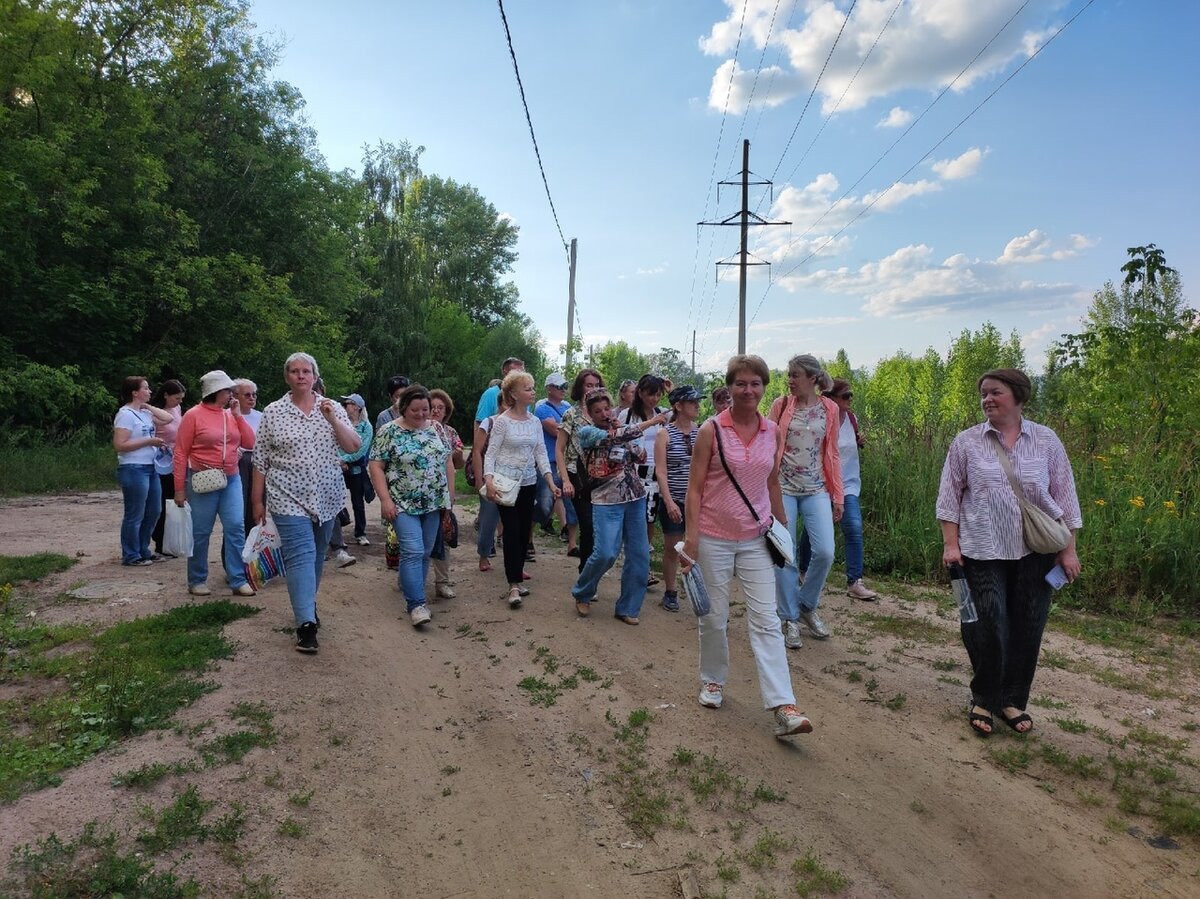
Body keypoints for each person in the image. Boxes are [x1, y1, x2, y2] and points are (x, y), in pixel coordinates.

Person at [937, 368, 1082, 737]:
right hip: (982, 549)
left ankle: (1012, 699)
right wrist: (951, 545)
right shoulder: (967, 442)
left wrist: (1069, 551)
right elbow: (949, 497)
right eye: (983, 393)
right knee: (989, 622)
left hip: (1036, 551)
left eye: (995, 392)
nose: (987, 399)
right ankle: (984, 696)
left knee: (1029, 626)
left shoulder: (1046, 440)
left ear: (1018, 396)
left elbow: (1065, 498)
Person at [680, 355, 812, 739]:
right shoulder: (711, 430)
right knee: (714, 616)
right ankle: (713, 681)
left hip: (756, 538)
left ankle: (783, 704)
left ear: (763, 387)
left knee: (767, 620)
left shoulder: (772, 431)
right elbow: (695, 488)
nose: (748, 390)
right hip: (714, 537)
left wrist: (783, 528)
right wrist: (692, 538)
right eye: (741, 383)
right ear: (730, 387)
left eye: (755, 384)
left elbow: (772, 483)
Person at [252, 352, 362, 653]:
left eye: (306, 371)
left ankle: (306, 606)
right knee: (300, 556)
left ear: (314, 377)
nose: (301, 376)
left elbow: (353, 446)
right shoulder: (273, 412)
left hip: (327, 498)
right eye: (295, 371)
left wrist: (332, 419)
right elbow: (260, 460)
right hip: (287, 496)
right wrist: (256, 501)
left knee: (315, 557)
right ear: (287, 377)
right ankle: (306, 625)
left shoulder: (332, 408)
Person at [570, 390, 665, 622]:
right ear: (590, 415)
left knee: (640, 555)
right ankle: (583, 591)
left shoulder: (623, 429)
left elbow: (641, 456)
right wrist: (650, 422)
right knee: (606, 553)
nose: (603, 414)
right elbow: (612, 438)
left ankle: (628, 608)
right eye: (597, 411)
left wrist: (629, 438)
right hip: (605, 499)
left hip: (635, 497)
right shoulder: (587, 433)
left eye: (606, 409)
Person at [769, 354, 843, 649]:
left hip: (816, 490)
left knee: (825, 551)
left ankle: (806, 606)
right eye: (789, 374)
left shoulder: (830, 409)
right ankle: (788, 619)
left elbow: (833, 453)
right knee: (784, 554)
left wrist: (838, 496)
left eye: (795, 375)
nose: (790, 380)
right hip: (783, 488)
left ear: (812, 378)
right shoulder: (781, 405)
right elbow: (767, 444)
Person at [368, 384, 454, 627]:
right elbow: (376, 466)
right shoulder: (389, 432)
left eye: (425, 409)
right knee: (413, 551)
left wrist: (450, 494)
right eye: (415, 410)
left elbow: (446, 460)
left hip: (434, 501)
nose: (421, 414)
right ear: (403, 408)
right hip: (402, 502)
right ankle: (416, 604)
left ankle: (415, 591)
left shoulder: (436, 428)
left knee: (426, 551)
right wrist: (385, 500)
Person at [173, 370, 257, 597]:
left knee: (236, 528)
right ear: (216, 391)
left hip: (231, 478)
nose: (232, 394)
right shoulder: (193, 415)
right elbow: (180, 452)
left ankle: (238, 578)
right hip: (202, 479)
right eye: (228, 390)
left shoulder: (229, 414)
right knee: (201, 531)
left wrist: (238, 416)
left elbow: (250, 442)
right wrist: (179, 488)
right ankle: (197, 579)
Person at [483, 370, 560, 608]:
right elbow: (491, 454)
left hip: (528, 484)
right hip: (505, 485)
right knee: (512, 532)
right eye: (527, 388)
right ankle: (513, 584)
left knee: (524, 530)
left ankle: (517, 574)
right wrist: (489, 481)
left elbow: (540, 454)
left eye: (532, 387)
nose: (532, 392)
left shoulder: (535, 422)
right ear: (514, 394)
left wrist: (549, 481)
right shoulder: (502, 422)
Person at [798, 379, 877, 600]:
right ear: (831, 399)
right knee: (812, 529)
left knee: (853, 525)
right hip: (823, 484)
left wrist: (859, 441)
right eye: (845, 396)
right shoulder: (820, 420)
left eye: (851, 395)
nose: (850, 399)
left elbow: (848, 447)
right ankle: (802, 569)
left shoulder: (852, 419)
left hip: (848, 484)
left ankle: (855, 582)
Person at [113, 376, 171, 566]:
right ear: (134, 392)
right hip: (133, 467)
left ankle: (143, 549)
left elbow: (168, 418)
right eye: (146, 389)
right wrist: (149, 441)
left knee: (154, 510)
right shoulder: (125, 414)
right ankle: (131, 554)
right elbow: (120, 444)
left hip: (150, 466)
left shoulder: (144, 413)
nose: (150, 392)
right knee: (135, 512)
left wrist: (148, 407)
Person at [654, 385, 703, 612]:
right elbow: (661, 471)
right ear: (678, 406)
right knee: (672, 547)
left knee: (698, 547)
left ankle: (698, 591)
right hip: (674, 497)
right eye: (692, 402)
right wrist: (669, 501)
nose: (697, 405)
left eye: (697, 401)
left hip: (698, 501)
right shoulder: (665, 434)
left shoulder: (701, 431)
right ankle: (671, 591)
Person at [617, 375, 668, 586]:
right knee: (633, 520)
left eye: (658, 394)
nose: (655, 399)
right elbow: (619, 436)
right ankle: (633, 561)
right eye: (651, 394)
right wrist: (652, 423)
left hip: (655, 473)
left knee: (649, 519)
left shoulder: (663, 413)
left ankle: (644, 568)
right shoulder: (627, 415)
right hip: (632, 473)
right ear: (640, 393)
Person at [557, 368, 604, 568]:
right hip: (576, 474)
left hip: (601, 475)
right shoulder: (571, 414)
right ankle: (585, 573)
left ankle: (592, 567)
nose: (592, 389)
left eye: (596, 385)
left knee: (597, 527)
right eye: (588, 385)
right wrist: (566, 480)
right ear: (580, 387)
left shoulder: (603, 413)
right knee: (587, 524)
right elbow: (559, 449)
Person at [428, 388, 464, 599]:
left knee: (444, 536)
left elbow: (458, 464)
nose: (436, 411)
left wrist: (457, 455)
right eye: (433, 407)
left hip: (442, 492)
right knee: (417, 540)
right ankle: (408, 579)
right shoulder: (416, 430)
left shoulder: (450, 433)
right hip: (420, 492)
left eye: (441, 408)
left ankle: (442, 582)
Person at [534, 372, 576, 543]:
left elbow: (566, 428)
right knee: (545, 502)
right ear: (549, 388)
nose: (563, 390)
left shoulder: (567, 405)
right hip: (550, 460)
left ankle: (571, 541)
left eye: (565, 386)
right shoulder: (542, 408)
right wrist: (570, 429)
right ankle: (528, 534)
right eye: (559, 387)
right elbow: (554, 430)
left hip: (567, 461)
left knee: (570, 500)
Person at [472, 392, 508, 575]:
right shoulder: (489, 422)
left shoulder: (524, 422)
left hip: (514, 478)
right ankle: (484, 554)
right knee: (489, 518)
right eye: (507, 403)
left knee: (515, 522)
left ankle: (515, 563)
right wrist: (480, 479)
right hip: (491, 477)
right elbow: (477, 451)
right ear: (500, 404)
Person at [150, 379, 186, 557]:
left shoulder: (177, 409)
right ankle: (159, 541)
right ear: (166, 395)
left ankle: (170, 540)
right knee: (162, 502)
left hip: (177, 461)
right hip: (162, 461)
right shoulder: (157, 413)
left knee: (174, 501)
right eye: (176, 398)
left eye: (181, 399)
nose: (179, 402)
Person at [337, 393, 373, 546]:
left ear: (357, 407)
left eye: (349, 403)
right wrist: (340, 460)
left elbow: (362, 449)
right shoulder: (340, 424)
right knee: (335, 500)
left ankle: (360, 533)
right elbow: (336, 443)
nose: (345, 406)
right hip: (339, 468)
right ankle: (337, 537)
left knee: (357, 502)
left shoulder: (366, 427)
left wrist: (345, 459)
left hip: (356, 469)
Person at [233, 379, 262, 537]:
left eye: (254, 395)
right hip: (238, 462)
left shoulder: (261, 416)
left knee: (257, 507)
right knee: (239, 509)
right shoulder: (228, 416)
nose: (252, 398)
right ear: (235, 396)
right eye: (247, 395)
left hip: (258, 462)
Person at [475, 357, 524, 425]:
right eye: (516, 373)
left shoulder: (523, 396)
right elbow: (479, 424)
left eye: (522, 374)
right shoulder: (490, 394)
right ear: (504, 372)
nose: (521, 377)